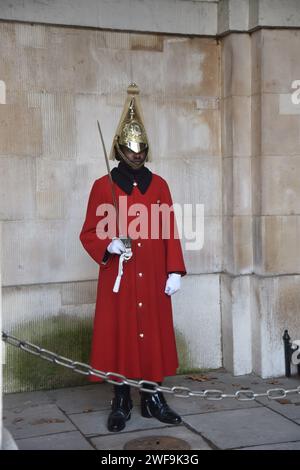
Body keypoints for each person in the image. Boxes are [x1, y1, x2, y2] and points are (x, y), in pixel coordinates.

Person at [79, 83, 187, 432]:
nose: (137, 156)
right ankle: (122, 398)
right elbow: (89, 233)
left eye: (141, 150)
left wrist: (174, 270)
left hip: (154, 275)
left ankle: (153, 397)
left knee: (151, 334)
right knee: (121, 335)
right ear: (120, 149)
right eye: (131, 150)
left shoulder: (160, 186)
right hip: (120, 279)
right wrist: (107, 246)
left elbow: (168, 229)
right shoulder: (102, 186)